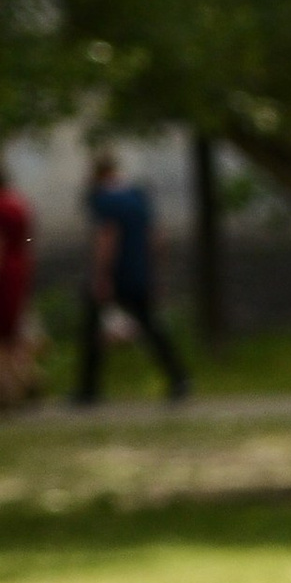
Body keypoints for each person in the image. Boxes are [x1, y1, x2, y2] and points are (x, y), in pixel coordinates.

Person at [78, 149, 190, 404]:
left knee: (93, 327)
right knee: (152, 326)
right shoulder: (138, 195)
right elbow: (156, 237)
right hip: (140, 270)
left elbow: (108, 237)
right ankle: (179, 378)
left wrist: (101, 275)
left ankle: (88, 388)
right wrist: (156, 271)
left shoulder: (104, 198)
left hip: (118, 272)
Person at [0, 169, 39, 405]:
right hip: (21, 267)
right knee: (14, 333)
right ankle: (28, 379)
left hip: (5, 272)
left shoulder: (2, 208)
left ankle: (10, 391)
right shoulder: (19, 203)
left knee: (4, 336)